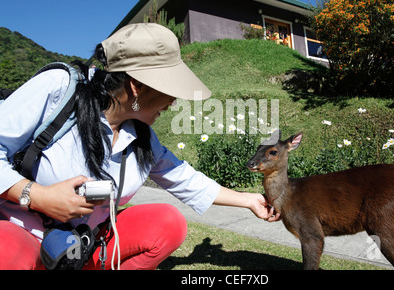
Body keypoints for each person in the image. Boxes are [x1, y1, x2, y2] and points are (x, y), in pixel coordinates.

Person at [0, 23, 280, 270]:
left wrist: (249, 200)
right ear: (136, 85)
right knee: (6, 248)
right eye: (171, 90)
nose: (174, 102)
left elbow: (185, 178)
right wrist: (36, 196)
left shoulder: (141, 136)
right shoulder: (60, 89)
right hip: (25, 232)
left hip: (87, 242)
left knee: (167, 223)